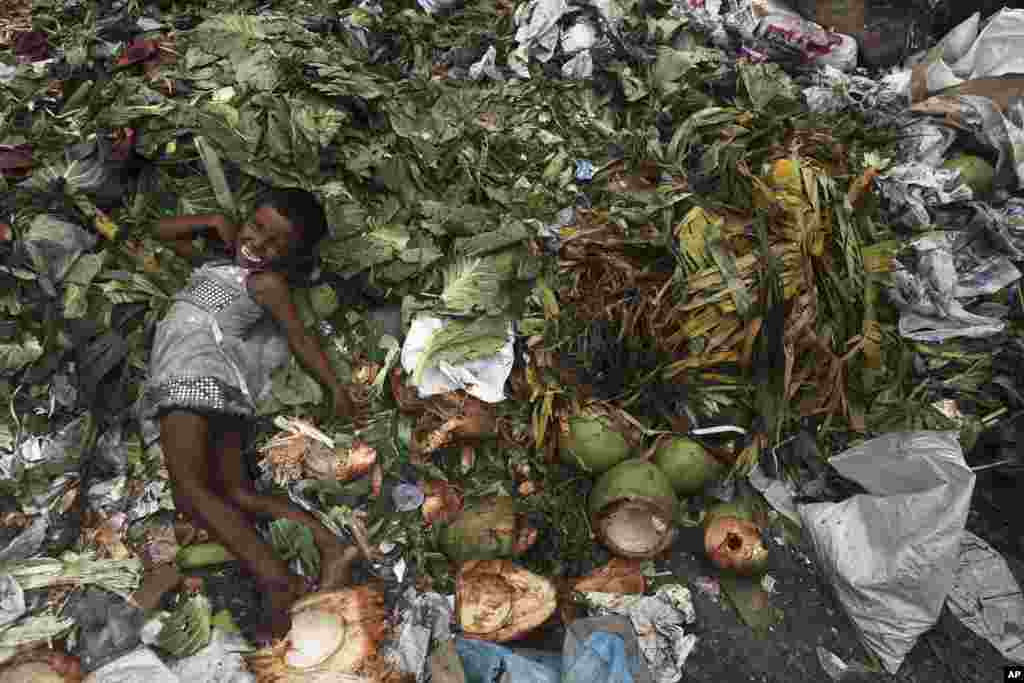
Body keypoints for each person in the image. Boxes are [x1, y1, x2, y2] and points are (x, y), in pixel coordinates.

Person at [137, 188, 359, 643]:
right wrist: (214, 219)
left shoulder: (264, 284)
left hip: (191, 373)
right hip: (223, 390)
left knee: (192, 493)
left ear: (291, 257)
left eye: (276, 243)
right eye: (256, 226)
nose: (258, 243)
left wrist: (334, 387)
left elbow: (299, 337)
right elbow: (155, 231)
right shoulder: (219, 265)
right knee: (236, 494)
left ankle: (276, 577)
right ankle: (329, 545)